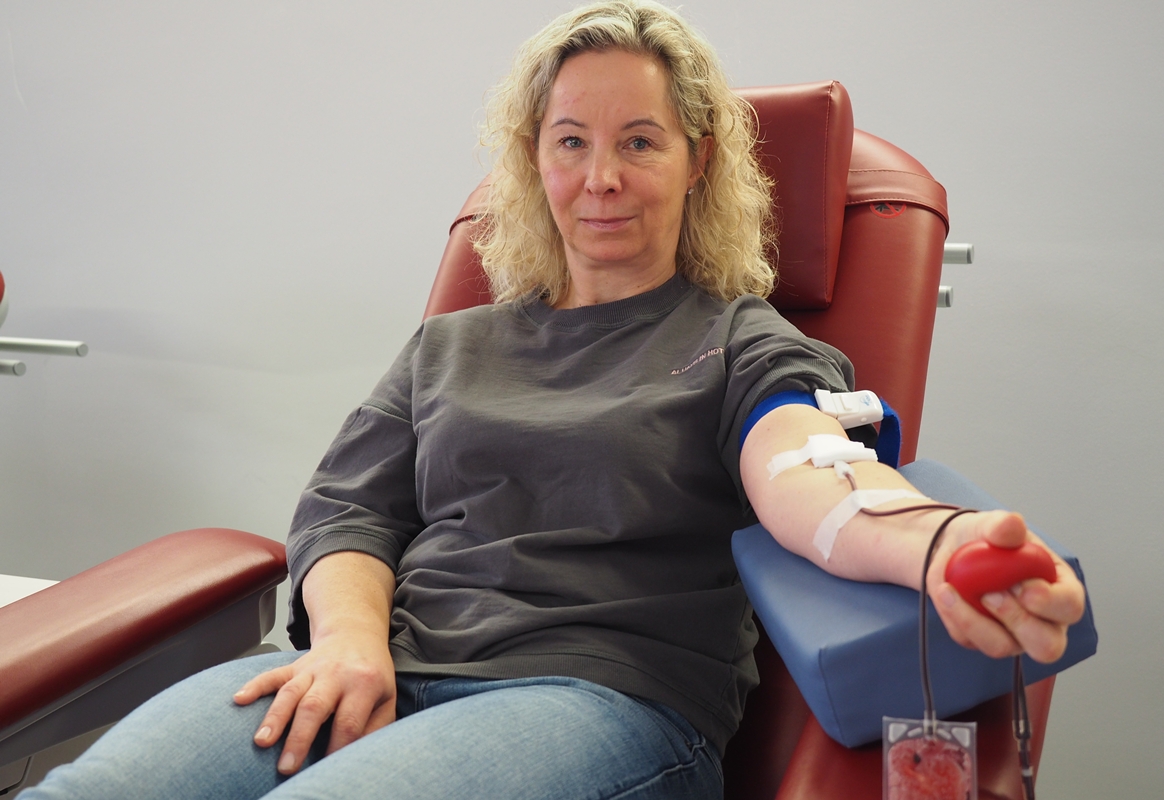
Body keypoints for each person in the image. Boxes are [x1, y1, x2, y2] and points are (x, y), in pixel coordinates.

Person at [21, 2, 1085, 798]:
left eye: (639, 140)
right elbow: (347, 514)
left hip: (598, 699)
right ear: (535, 161)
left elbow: (811, 468)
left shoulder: (740, 337)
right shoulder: (451, 345)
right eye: (571, 140)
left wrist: (937, 542)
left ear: (699, 160)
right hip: (377, 663)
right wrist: (347, 642)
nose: (601, 176)